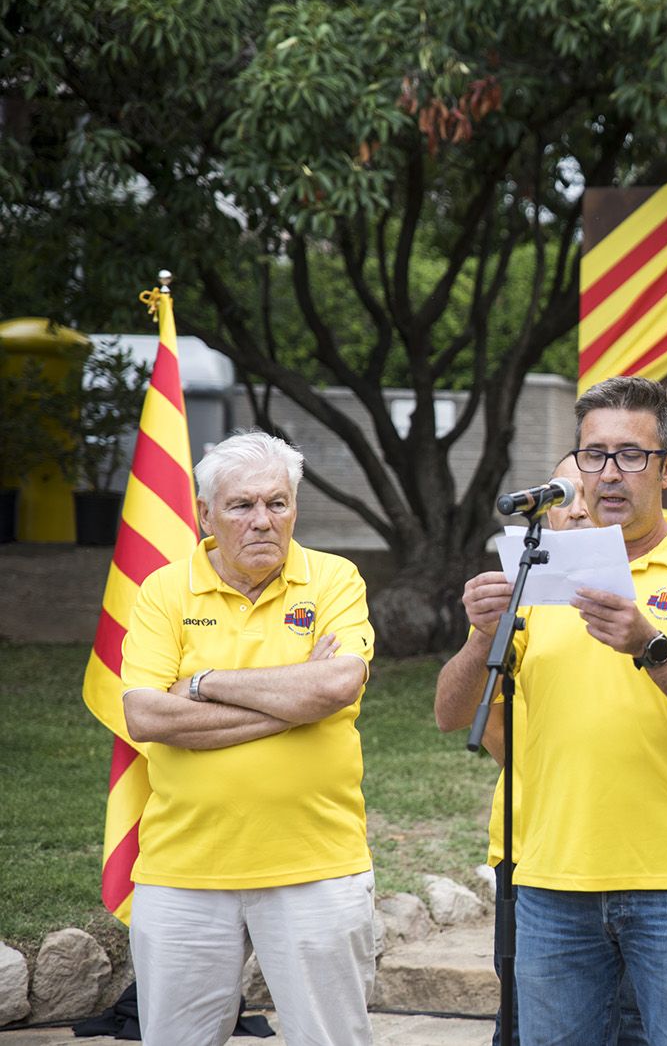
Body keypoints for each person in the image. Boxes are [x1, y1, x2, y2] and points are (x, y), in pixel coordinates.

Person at [434, 376, 667, 1046]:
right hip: (552, 886)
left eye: (631, 456)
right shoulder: (537, 568)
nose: (609, 474)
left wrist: (651, 646)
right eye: (594, 455)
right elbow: (451, 714)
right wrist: (479, 638)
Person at [120, 431, 377, 1046]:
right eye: (241, 506)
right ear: (206, 513)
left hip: (317, 866)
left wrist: (203, 682)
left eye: (278, 503)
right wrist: (294, 703)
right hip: (182, 872)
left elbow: (338, 683)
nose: (263, 521)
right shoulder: (163, 589)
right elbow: (147, 717)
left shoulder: (335, 578)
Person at [444, 454, 591, 1046]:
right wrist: (483, 632)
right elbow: (457, 716)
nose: (576, 508)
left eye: (589, 495)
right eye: (561, 496)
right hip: (535, 860)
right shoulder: (527, 586)